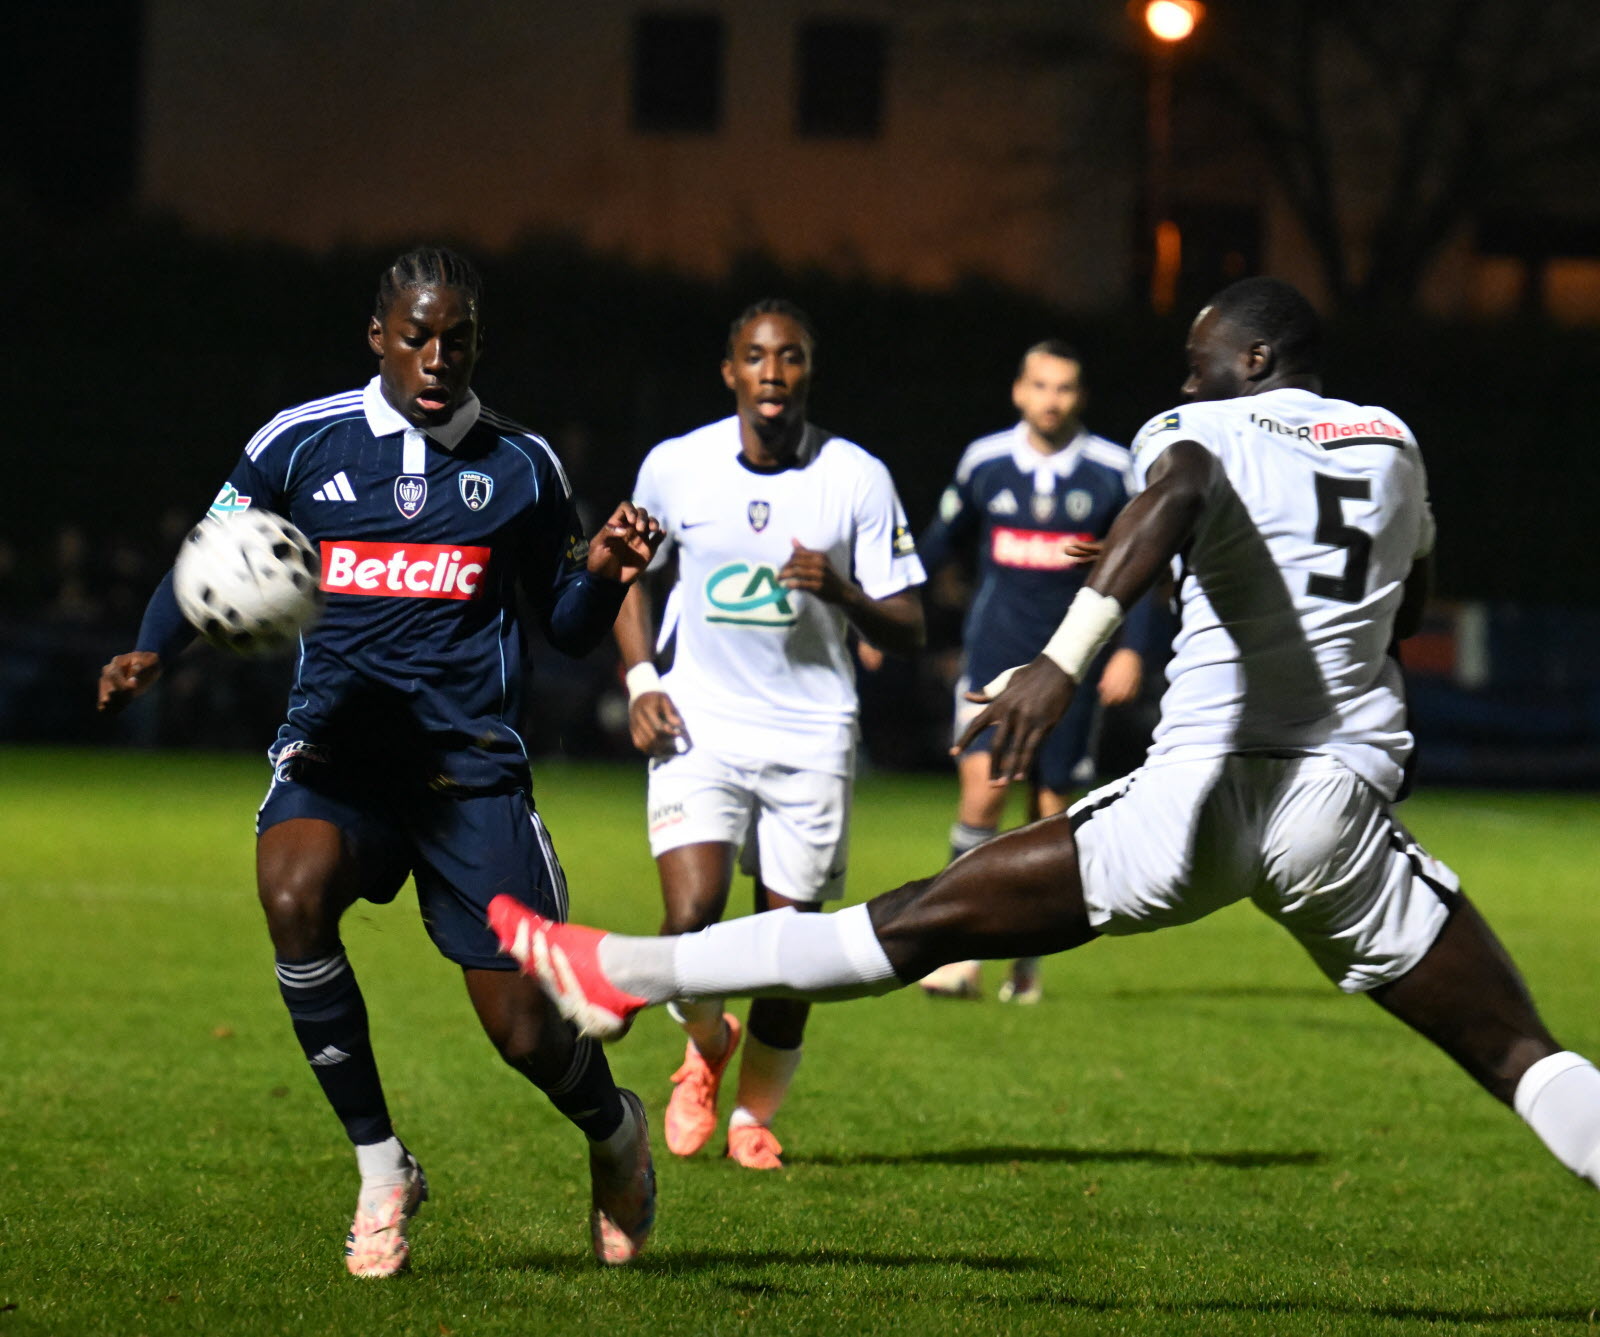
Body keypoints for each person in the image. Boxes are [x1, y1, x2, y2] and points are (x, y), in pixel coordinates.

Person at [489, 277, 1600, 1210]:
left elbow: (1186, 491)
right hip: (1335, 815)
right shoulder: (1392, 440)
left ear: (1255, 356)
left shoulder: (1185, 433)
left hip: (1196, 801)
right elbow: (1406, 604)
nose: (1181, 379)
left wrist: (1059, 663)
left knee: (912, 920)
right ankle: (633, 975)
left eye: (1198, 356)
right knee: (1522, 1054)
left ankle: (625, 968)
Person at [97, 247, 662, 1275]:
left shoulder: (522, 464)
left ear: (477, 343)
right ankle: (380, 1162)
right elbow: (210, 553)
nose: (437, 355)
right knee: (292, 887)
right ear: (379, 336)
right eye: (417, 335)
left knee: (528, 1037)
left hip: (468, 770)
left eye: (458, 337)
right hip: (339, 750)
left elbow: (569, 625)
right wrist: (152, 646)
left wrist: (610, 571)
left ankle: (614, 1128)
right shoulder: (298, 442)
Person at [614, 299, 925, 1170]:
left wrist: (845, 591)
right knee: (690, 917)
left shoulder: (854, 476)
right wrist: (641, 679)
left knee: (793, 950)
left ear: (807, 372)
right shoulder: (677, 466)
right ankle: (706, 1043)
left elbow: (911, 625)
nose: (773, 373)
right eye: (756, 357)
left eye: (790, 357)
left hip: (812, 732)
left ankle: (754, 1114)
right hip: (699, 721)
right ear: (731, 372)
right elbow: (626, 574)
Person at [914, 340, 1166, 1003]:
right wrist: (883, 610)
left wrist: (1132, 647)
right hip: (994, 652)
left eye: (1064, 388)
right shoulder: (985, 462)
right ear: (1019, 392)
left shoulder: (1115, 469)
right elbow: (936, 545)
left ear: (1078, 397)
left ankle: (1026, 958)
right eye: (1040, 385)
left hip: (1073, 664)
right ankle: (956, 953)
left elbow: (1144, 562)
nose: (1051, 399)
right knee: (983, 793)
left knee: (1049, 817)